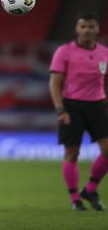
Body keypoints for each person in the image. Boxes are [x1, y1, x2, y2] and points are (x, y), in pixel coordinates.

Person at [49, 12, 108, 211]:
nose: (87, 30)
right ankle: (75, 198)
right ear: (77, 29)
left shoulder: (105, 53)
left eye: (91, 26)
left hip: (98, 105)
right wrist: (60, 110)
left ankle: (90, 189)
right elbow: (55, 83)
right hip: (72, 106)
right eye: (83, 26)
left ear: (97, 29)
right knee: (72, 153)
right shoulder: (64, 52)